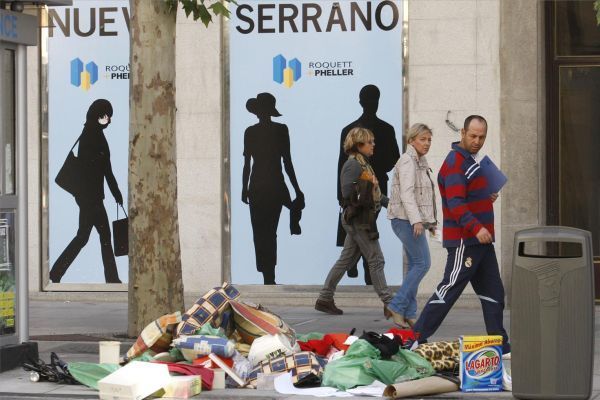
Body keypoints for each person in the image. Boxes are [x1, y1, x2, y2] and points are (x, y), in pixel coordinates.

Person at [411, 115, 511, 355]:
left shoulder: (469, 161)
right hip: (467, 241)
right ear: (463, 133)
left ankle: (501, 344)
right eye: (473, 135)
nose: (477, 141)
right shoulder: (456, 162)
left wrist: (485, 197)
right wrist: (477, 228)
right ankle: (415, 337)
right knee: (449, 289)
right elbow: (455, 203)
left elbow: (465, 197)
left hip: (481, 242)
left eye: (482, 137)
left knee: (494, 293)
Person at [316, 127, 393, 316]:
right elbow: (347, 196)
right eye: (370, 142)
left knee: (346, 260)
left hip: (362, 220)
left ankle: (325, 298)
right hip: (358, 221)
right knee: (376, 259)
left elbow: (376, 194)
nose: (373, 145)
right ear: (359, 145)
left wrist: (393, 205)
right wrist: (369, 185)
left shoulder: (364, 164)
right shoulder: (353, 165)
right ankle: (390, 303)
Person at [50, 99, 123, 283]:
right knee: (95, 236)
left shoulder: (89, 133)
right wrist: (116, 194)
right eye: (107, 116)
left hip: (88, 197)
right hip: (92, 199)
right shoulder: (94, 136)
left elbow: (102, 169)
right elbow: (105, 170)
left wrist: (114, 193)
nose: (109, 120)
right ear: (99, 115)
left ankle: (57, 272)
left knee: (87, 236)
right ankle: (111, 278)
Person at [337, 85, 400, 284]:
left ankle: (360, 276)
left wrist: (373, 166)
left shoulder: (386, 129)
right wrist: (342, 196)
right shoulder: (349, 130)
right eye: (369, 99)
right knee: (363, 235)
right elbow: (342, 165)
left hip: (375, 188)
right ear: (362, 102)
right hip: (357, 193)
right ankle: (365, 278)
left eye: (375, 99)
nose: (372, 103)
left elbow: (394, 160)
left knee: (362, 234)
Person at [242, 92, 304, 285]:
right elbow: (287, 162)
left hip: (258, 186)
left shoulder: (251, 132)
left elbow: (248, 164)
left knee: (261, 232)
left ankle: (268, 275)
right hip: (275, 184)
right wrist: (297, 189)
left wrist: (244, 188)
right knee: (269, 232)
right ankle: (269, 275)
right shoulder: (279, 130)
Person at [386, 123, 437, 328]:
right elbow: (407, 194)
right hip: (405, 220)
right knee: (423, 263)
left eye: (429, 140)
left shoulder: (419, 162)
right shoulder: (408, 161)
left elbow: (424, 196)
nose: (427, 143)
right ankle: (397, 306)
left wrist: (430, 222)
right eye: (422, 139)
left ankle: (409, 312)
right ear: (411, 141)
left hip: (411, 221)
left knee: (413, 266)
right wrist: (416, 220)